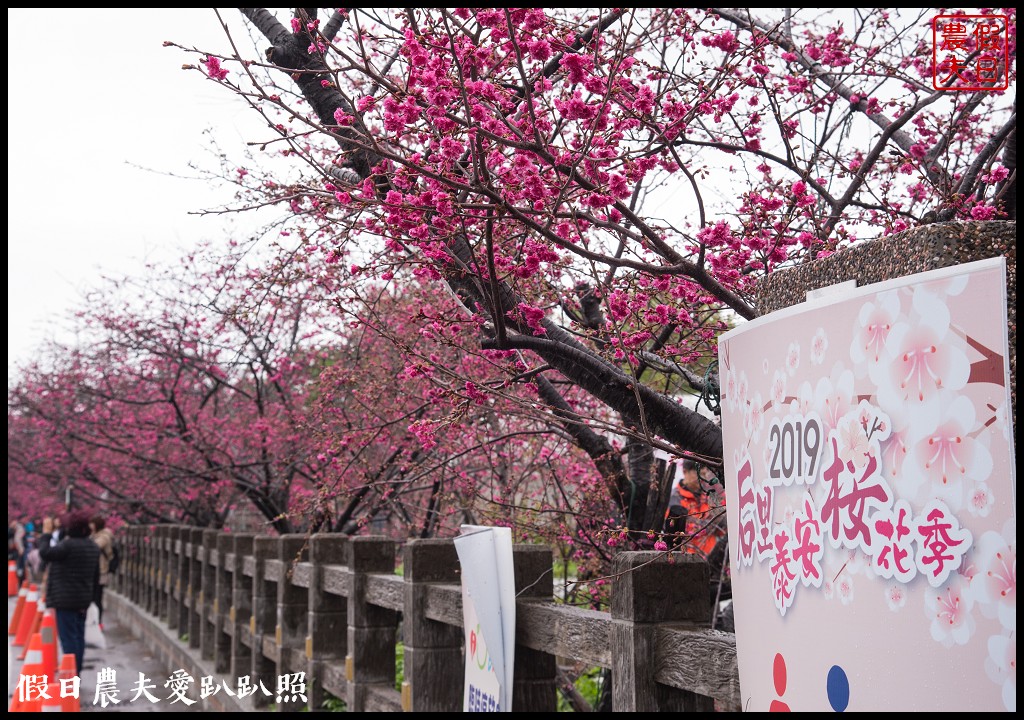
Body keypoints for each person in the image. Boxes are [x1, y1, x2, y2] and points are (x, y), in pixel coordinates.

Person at [38, 510, 101, 677]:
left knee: (68, 639)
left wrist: (46, 534)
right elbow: (96, 576)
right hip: (83, 599)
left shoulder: (68, 546)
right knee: (78, 637)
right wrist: (91, 597)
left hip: (65, 600)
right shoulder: (92, 547)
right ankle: (75, 672)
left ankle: (70, 675)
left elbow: (45, 553)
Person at [89, 515, 115, 627]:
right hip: (94, 569)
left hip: (101, 570)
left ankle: (98, 622)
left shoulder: (104, 536)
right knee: (92, 596)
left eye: (91, 523)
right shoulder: (93, 536)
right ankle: (93, 620)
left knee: (97, 597)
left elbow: (94, 546)